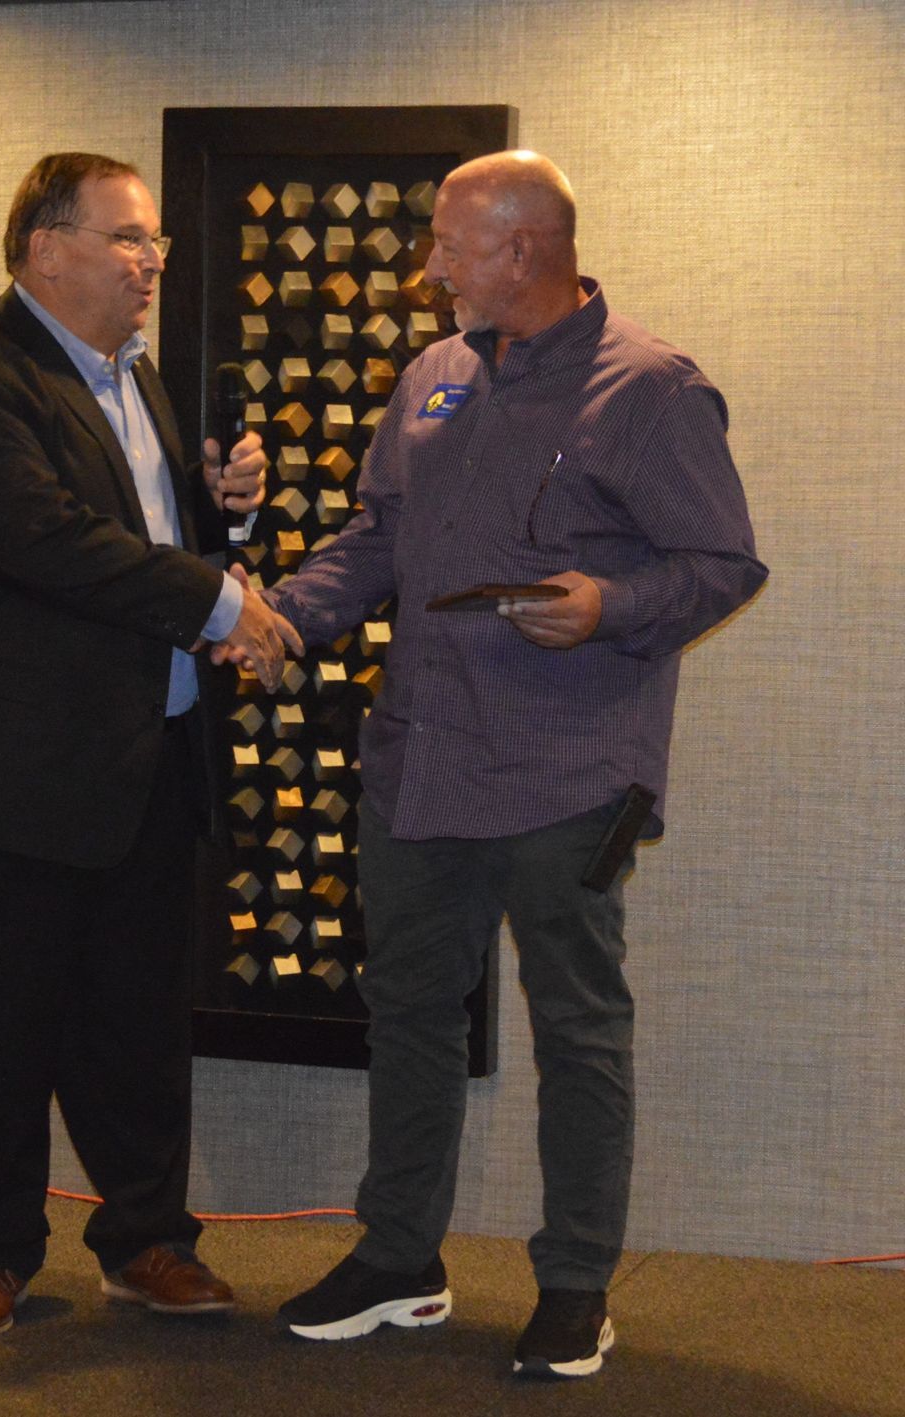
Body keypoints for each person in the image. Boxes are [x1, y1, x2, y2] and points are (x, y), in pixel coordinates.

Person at [266, 150, 766, 1379]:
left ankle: (578, 1283)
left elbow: (722, 564)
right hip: (422, 758)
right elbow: (380, 535)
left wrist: (610, 605)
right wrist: (281, 617)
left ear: (522, 249)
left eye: (449, 245)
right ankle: (400, 1258)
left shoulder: (653, 389)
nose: (429, 267)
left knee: (578, 1025)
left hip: (571, 769)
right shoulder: (434, 376)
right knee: (409, 1012)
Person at [0, 152, 294, 1341]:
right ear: (47, 250)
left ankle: (146, 1240)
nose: (153, 262)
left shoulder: (135, 379)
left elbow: (143, 540)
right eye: (129, 238)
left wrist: (224, 511)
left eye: (156, 243)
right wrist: (224, 602)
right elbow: (48, 543)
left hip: (136, 757)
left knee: (137, 1018)